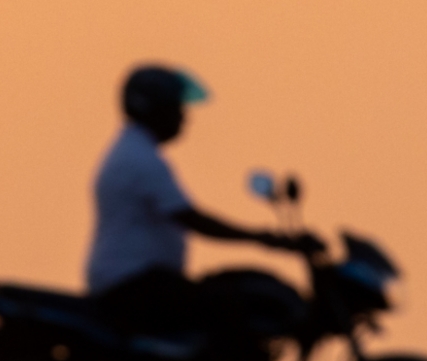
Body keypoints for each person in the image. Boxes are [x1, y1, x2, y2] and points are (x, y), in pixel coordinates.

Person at [86, 65, 321, 336]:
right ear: (155, 109)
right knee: (230, 307)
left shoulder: (134, 151)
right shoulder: (139, 159)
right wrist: (263, 238)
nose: (184, 117)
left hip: (140, 282)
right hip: (133, 286)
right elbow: (192, 219)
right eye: (176, 107)